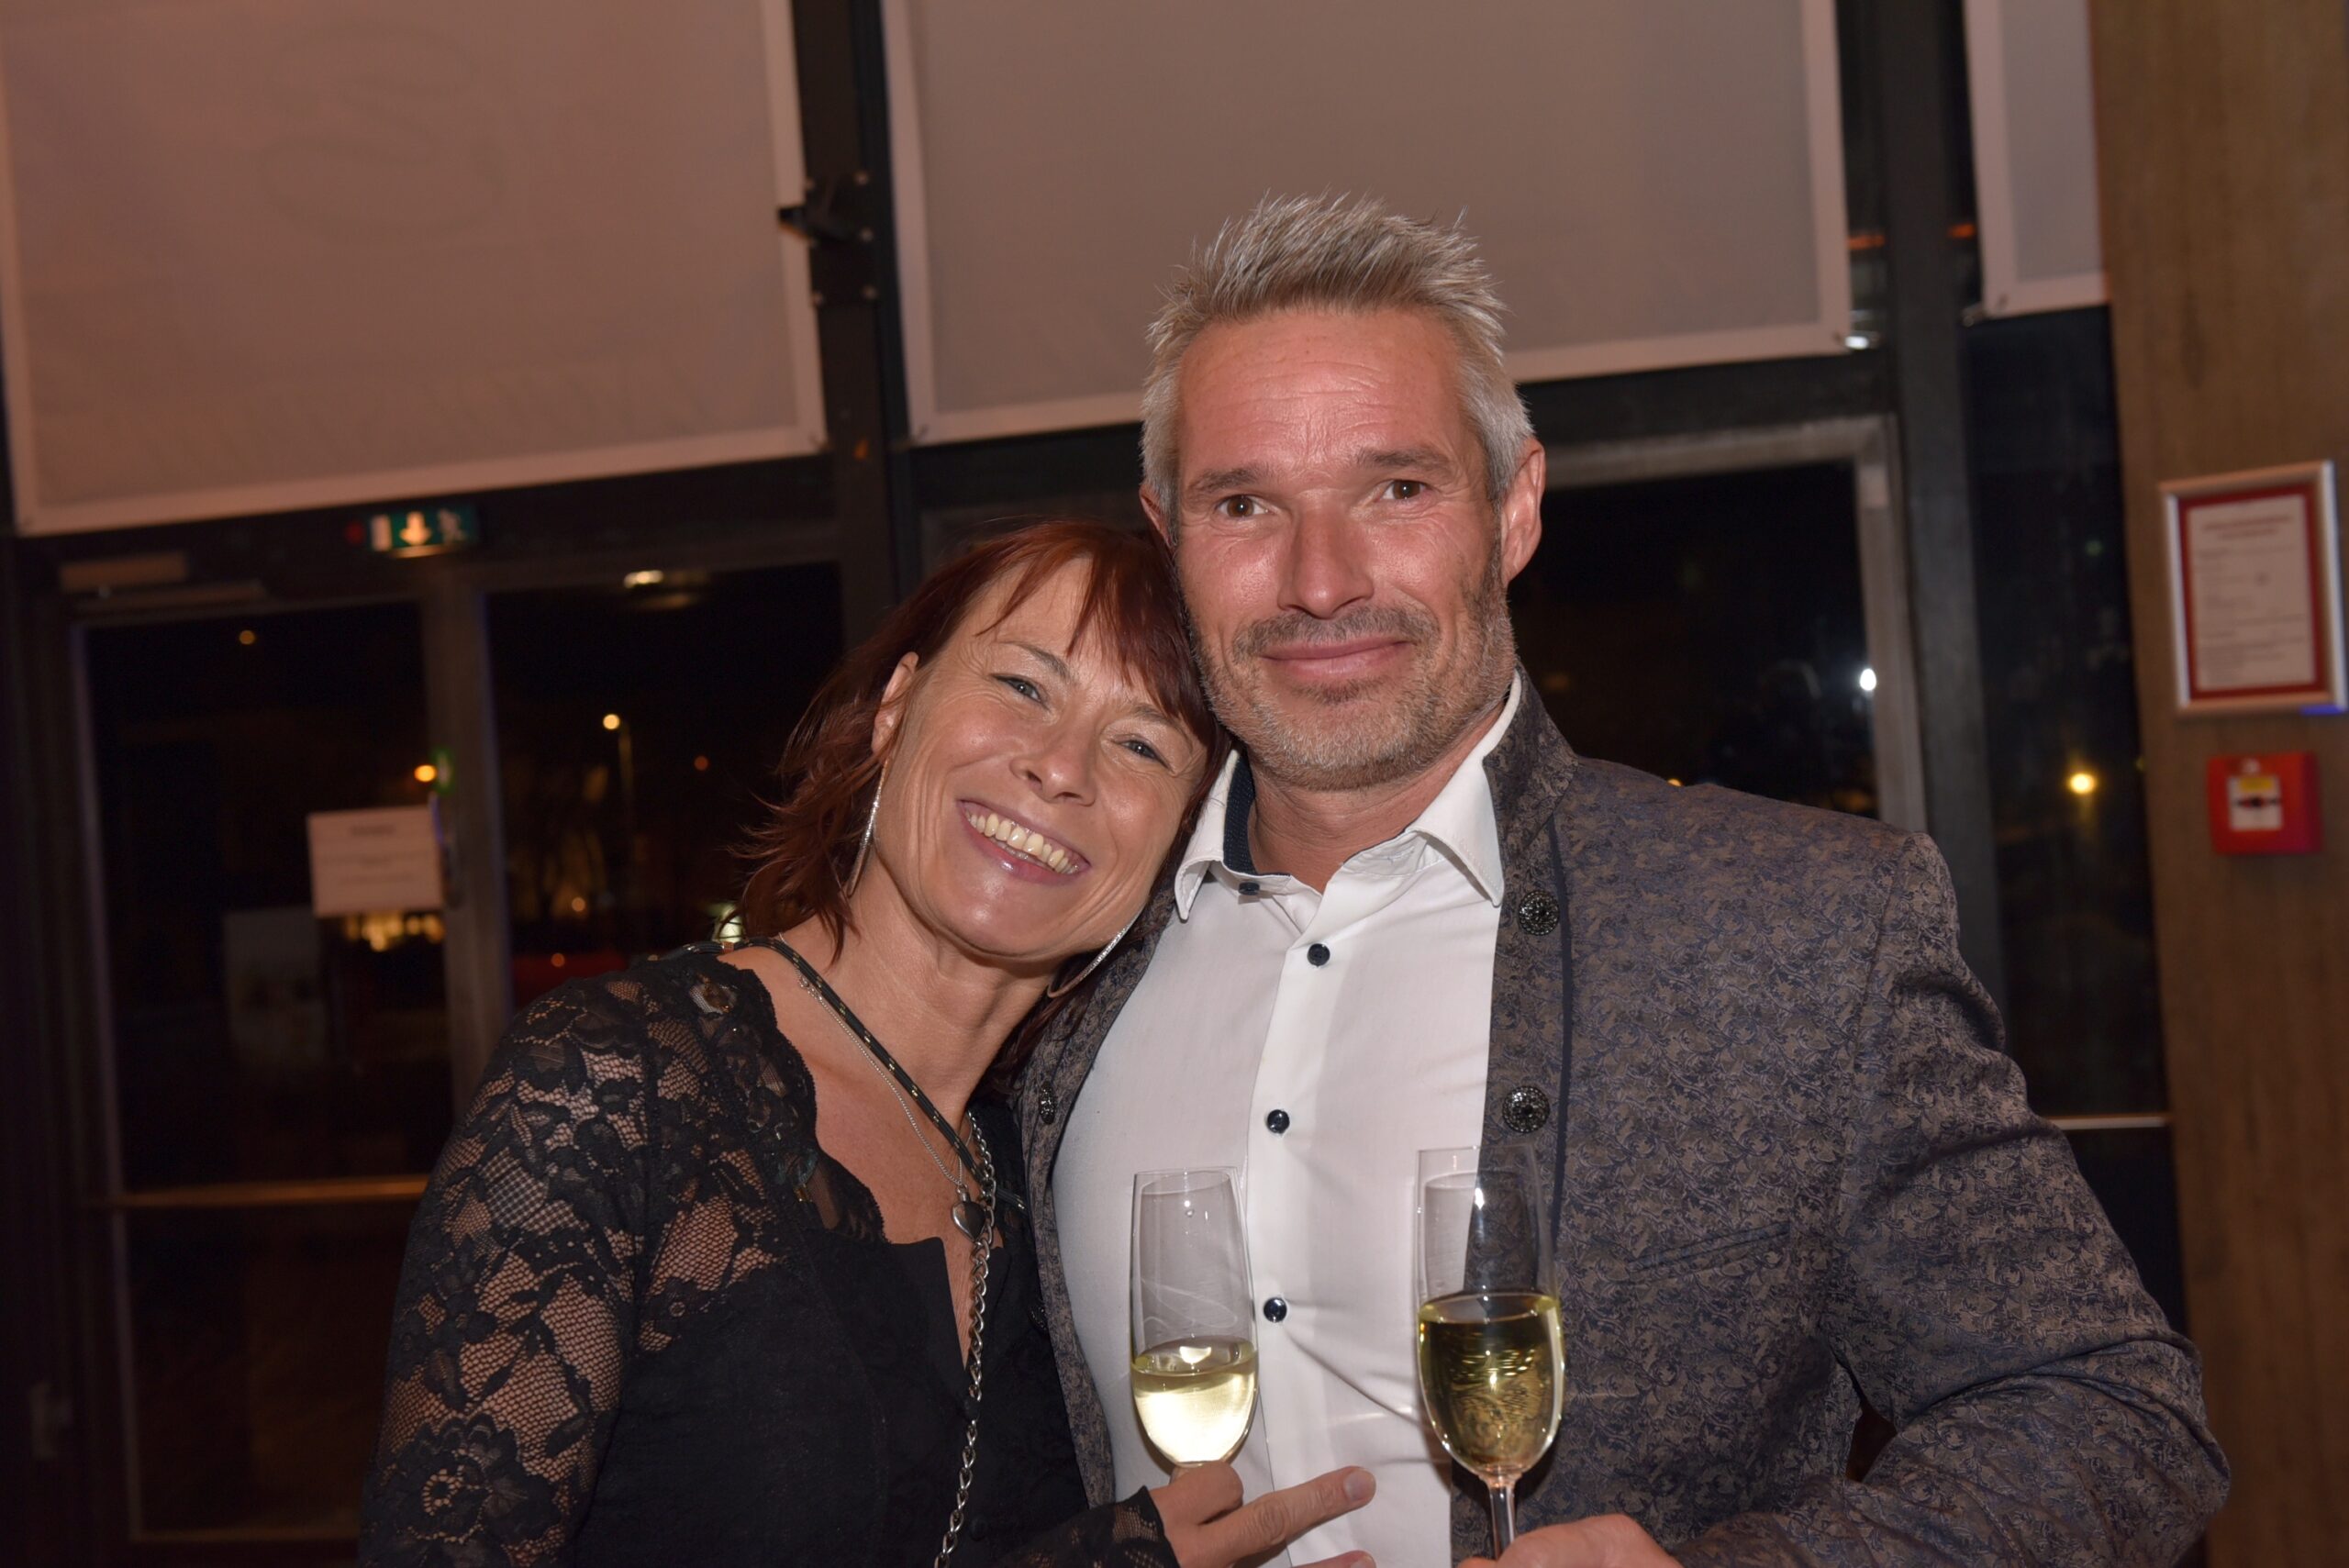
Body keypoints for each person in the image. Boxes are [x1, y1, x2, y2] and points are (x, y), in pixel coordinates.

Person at [1027, 196, 2230, 1566]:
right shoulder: (1063, 949)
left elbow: (2112, 1412)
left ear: (1513, 508)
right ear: (1168, 534)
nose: (1320, 581)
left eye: (1397, 490)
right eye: (1245, 504)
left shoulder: (1795, 935)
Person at [358, 521, 1377, 1567]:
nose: (1060, 766)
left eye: (1141, 745)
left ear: (1176, 845)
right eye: (1023, 685)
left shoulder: (1044, 1169)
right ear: (896, 707)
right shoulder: (616, 1083)